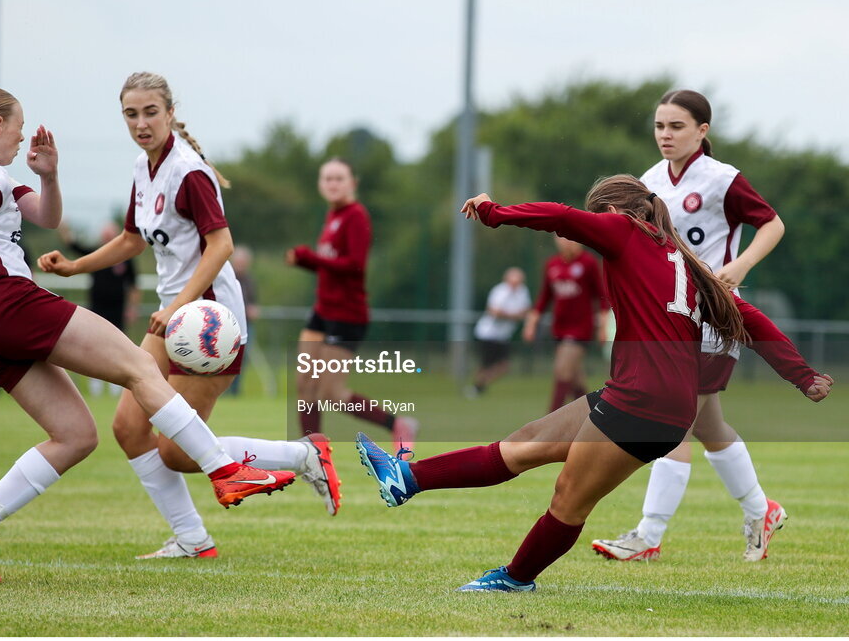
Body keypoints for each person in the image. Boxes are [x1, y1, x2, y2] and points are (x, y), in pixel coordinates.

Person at [0, 85, 296, 583]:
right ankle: (224, 471)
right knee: (140, 368)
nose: (25, 134)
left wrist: (49, 176)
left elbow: (50, 218)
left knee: (75, 436)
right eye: (19, 125)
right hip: (7, 302)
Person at [356, 176, 832, 593]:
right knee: (523, 445)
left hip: (644, 406)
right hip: (639, 396)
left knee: (569, 497)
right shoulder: (686, 262)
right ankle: (407, 479)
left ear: (611, 211)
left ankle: (516, 577)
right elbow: (748, 317)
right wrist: (802, 375)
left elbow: (563, 217)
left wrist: (493, 211)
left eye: (596, 212)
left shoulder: (625, 229)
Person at [38, 72, 341, 561]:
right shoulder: (143, 166)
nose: (141, 123)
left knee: (177, 450)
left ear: (170, 112)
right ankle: (193, 540)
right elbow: (133, 239)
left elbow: (221, 246)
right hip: (174, 316)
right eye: (131, 114)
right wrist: (76, 264)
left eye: (150, 112)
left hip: (210, 322)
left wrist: (177, 307)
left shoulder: (189, 170)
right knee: (128, 429)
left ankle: (304, 456)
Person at [591, 90, 791, 562]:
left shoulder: (723, 180)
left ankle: (648, 535)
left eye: (676, 126)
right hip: (667, 319)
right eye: (660, 126)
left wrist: (739, 267)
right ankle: (761, 510)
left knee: (675, 420)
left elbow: (773, 224)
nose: (665, 135)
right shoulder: (648, 182)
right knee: (707, 423)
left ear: (703, 130)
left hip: (713, 318)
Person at [287, 158, 418, 450]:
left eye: (339, 178)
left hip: (347, 315)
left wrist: (311, 258)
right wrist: (306, 262)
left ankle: (398, 424)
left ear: (352, 183)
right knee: (304, 385)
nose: (332, 184)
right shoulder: (332, 216)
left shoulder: (356, 215)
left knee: (330, 393)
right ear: (320, 184)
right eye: (327, 179)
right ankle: (313, 454)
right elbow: (333, 266)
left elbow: (354, 265)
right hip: (322, 312)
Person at [523, 236, 610, 413]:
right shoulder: (552, 264)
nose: (566, 241)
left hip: (581, 329)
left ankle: (550, 420)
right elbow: (544, 297)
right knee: (575, 380)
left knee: (562, 371)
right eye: (561, 238)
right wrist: (531, 323)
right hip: (559, 329)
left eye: (570, 238)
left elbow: (602, 297)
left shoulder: (588, 262)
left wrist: (602, 327)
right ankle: (593, 416)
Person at [59, 221, 140, 397]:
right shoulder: (96, 254)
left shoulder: (126, 258)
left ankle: (117, 387)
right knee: (94, 346)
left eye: (110, 234)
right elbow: (75, 249)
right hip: (97, 308)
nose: (107, 237)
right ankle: (95, 386)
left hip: (118, 309)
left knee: (120, 347)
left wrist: (132, 308)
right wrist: (65, 230)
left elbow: (134, 285)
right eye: (105, 235)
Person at [466, 267, 531, 398]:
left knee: (504, 366)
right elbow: (494, 312)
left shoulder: (523, 292)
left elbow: (526, 310)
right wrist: (514, 315)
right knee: (486, 364)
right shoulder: (499, 291)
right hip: (488, 333)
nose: (516, 284)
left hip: (503, 335)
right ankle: (477, 388)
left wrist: (511, 315)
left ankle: (478, 386)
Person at [227, 244, 259, 396]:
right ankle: (223, 391)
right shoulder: (227, 278)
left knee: (242, 359)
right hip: (228, 325)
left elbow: (253, 300)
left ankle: (235, 391)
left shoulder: (250, 280)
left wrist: (253, 309)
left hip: (246, 325)